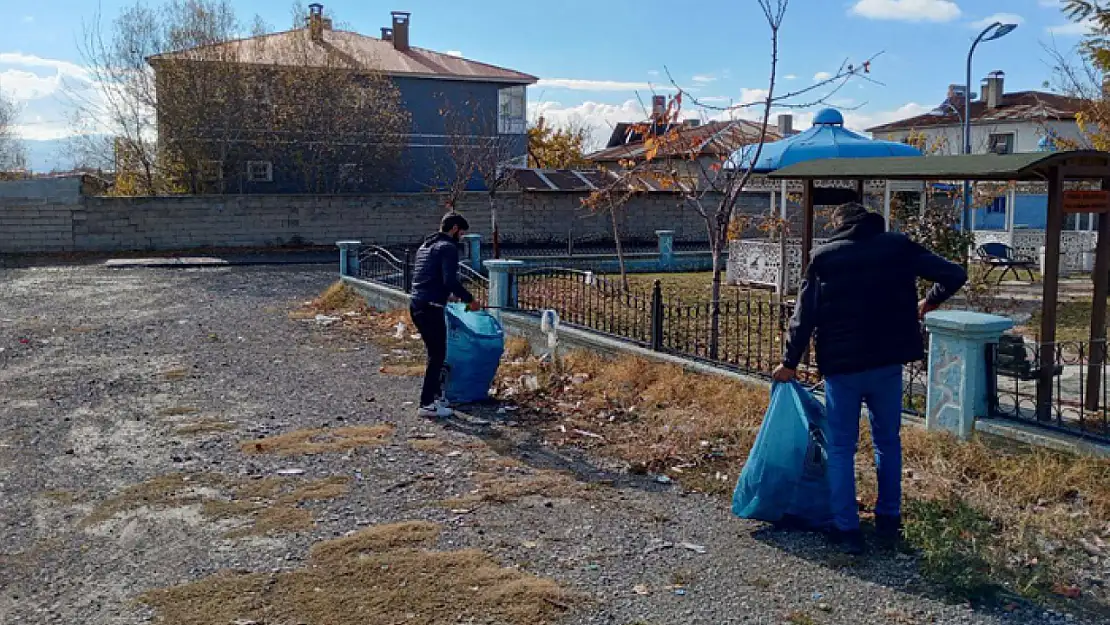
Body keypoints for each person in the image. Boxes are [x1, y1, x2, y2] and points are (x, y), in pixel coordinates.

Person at [772, 202, 967, 555]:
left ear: (839, 225)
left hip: (842, 369)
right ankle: (889, 521)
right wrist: (929, 301)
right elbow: (955, 274)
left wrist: (789, 362)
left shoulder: (824, 257)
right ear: (872, 223)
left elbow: (804, 316)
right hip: (887, 364)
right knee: (887, 442)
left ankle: (847, 531)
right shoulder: (898, 247)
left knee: (842, 448)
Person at [409, 212, 481, 418]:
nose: (462, 237)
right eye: (462, 233)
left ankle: (436, 396)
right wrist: (470, 300)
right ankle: (427, 403)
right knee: (437, 355)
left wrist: (447, 296)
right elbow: (450, 280)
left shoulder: (425, 246)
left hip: (417, 304)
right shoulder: (448, 248)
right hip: (431, 307)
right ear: (455, 228)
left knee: (435, 354)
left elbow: (428, 277)